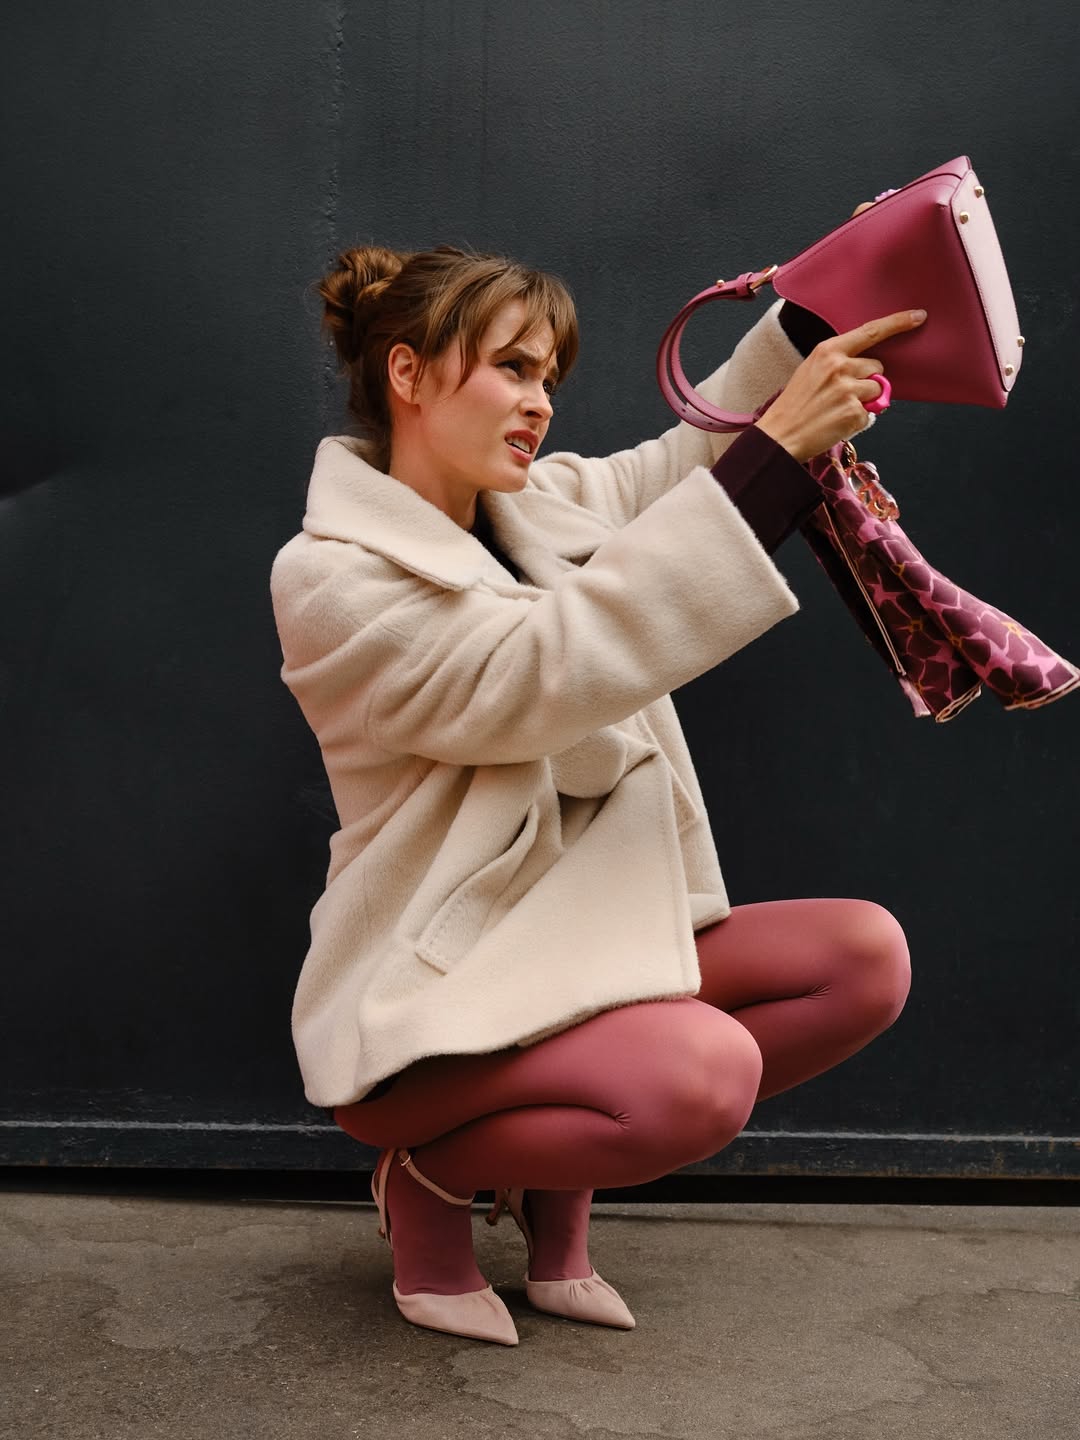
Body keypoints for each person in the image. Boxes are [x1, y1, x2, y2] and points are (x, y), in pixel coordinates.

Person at [270, 243, 921, 1346]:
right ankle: (430, 1178)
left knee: (863, 960)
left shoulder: (539, 506)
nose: (541, 403)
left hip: (582, 959)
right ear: (408, 373)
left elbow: (688, 456)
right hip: (439, 1005)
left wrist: (835, 290)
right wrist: (775, 459)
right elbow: (538, 674)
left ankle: (550, 1184)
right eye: (513, 369)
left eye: (549, 377)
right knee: (702, 1077)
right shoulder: (330, 577)